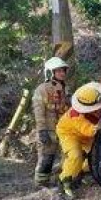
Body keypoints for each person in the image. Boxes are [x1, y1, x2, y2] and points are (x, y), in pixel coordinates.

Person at [55, 82, 101, 200]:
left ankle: (82, 172)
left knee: (97, 155)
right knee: (75, 156)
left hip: (86, 134)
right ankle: (65, 182)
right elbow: (89, 131)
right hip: (69, 134)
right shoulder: (76, 116)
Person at [31, 57, 70, 187]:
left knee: (68, 156)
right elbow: (39, 112)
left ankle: (65, 180)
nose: (62, 73)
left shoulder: (64, 89)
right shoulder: (42, 89)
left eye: (63, 70)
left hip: (64, 128)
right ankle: (41, 184)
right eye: (58, 71)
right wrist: (42, 131)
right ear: (50, 73)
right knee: (46, 158)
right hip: (48, 130)